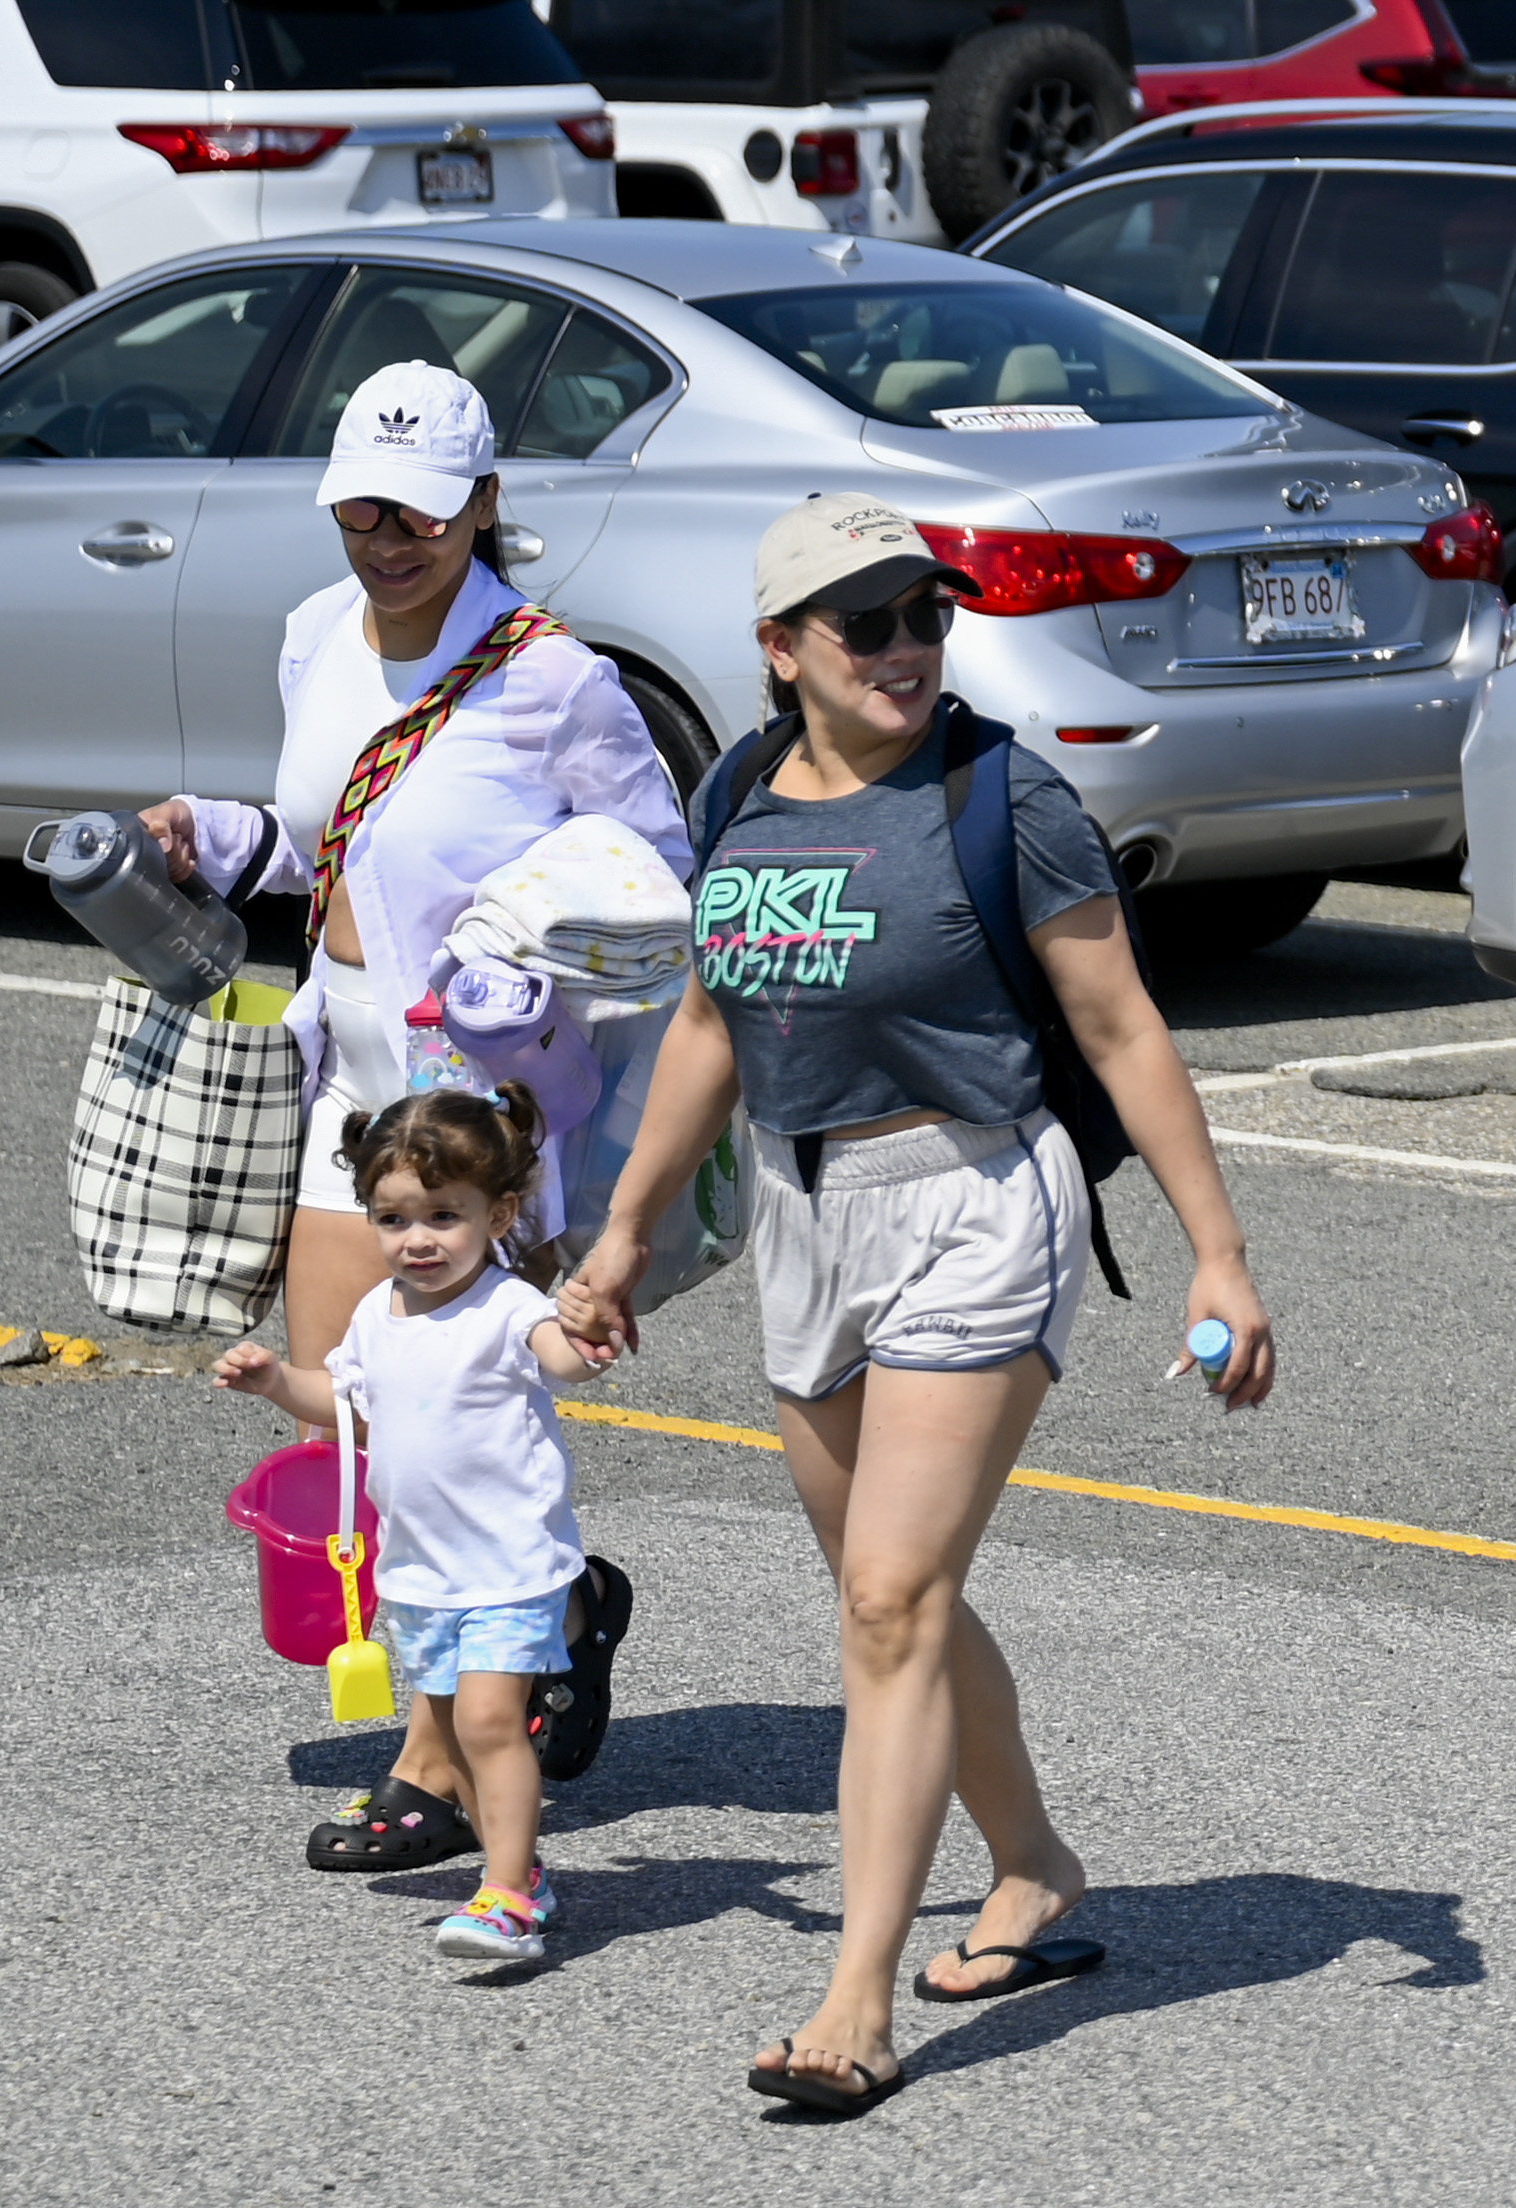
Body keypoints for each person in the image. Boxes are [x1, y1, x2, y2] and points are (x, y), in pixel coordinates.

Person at [557, 493, 1279, 2123]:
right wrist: (619, 1237)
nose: (903, 646)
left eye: (922, 615)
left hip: (972, 1199)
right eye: (864, 620)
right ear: (781, 646)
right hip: (807, 1210)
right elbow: (701, 1022)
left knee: (885, 1596)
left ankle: (855, 1997)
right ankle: (1029, 1862)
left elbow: (1123, 1025)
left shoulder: (1001, 795)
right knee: (904, 1599)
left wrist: (1215, 1249)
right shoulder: (737, 790)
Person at [143, 357, 691, 1877]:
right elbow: (317, 850)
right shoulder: (317, 638)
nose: (389, 540)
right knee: (365, 1413)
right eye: (363, 509)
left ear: (485, 506)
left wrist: (531, 949)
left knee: (449, 1418)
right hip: (343, 1079)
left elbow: (660, 878)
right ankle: (560, 1609)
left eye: (423, 514)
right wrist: (212, 838)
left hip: (480, 1108)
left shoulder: (553, 679)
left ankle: (435, 1767)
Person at [214, 1086, 606, 1976]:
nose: (417, 1238)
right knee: (463, 1732)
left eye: (444, 1215)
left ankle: (506, 1895)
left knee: (490, 1719)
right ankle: (519, 1873)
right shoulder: (376, 1314)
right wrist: (279, 1382)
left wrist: (585, 1332)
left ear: (500, 1213)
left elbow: (564, 1362)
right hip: (420, 1570)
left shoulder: (509, 1309)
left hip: (510, 1564)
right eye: (393, 1219)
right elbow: (343, 1401)